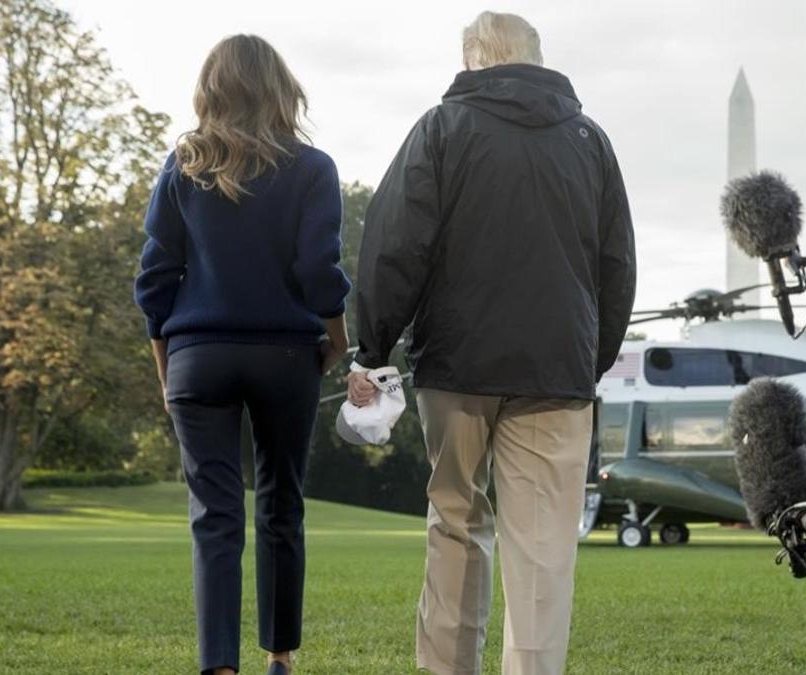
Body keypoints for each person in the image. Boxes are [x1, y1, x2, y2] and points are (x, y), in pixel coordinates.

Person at [348, 11, 636, 675]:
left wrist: (373, 346)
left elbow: (394, 245)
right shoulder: (590, 141)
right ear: (536, 59)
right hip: (556, 373)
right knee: (541, 552)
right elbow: (617, 266)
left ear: (474, 61)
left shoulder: (441, 129)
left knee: (456, 522)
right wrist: (583, 360)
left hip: (456, 369)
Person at [134, 34, 350, 675]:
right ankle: (278, 657)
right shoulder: (313, 169)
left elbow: (154, 279)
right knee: (281, 503)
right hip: (286, 355)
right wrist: (338, 338)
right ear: (281, 90)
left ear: (212, 90)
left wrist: (163, 360)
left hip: (196, 355)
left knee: (214, 515)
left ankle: (218, 666)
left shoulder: (182, 166)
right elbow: (319, 272)